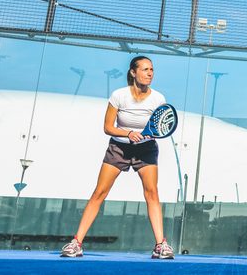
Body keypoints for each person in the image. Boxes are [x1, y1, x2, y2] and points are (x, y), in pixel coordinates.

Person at [60, 56, 175, 259]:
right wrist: (128, 133)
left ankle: (161, 246)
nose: (150, 73)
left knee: (152, 193)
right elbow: (108, 127)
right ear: (133, 72)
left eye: (152, 70)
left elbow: (160, 127)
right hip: (119, 149)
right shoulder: (119, 96)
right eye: (145, 69)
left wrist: (147, 135)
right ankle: (76, 243)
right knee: (99, 193)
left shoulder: (158, 98)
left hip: (146, 149)